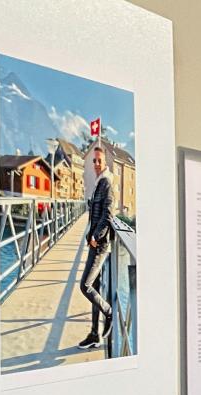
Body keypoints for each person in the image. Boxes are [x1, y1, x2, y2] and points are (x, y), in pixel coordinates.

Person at [77, 146, 116, 350]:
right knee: (96, 287)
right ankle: (94, 335)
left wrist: (95, 236)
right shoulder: (98, 184)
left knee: (85, 285)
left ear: (106, 163)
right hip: (94, 242)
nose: (96, 164)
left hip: (100, 245)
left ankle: (109, 313)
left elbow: (108, 215)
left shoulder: (107, 183)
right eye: (94, 160)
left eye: (99, 160)